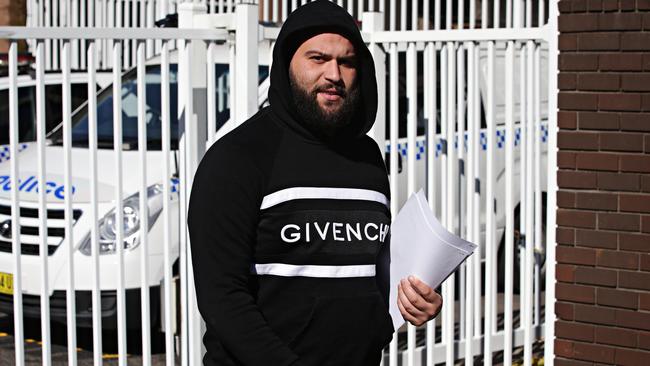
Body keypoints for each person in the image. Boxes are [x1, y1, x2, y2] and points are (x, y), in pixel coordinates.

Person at [188, 1, 442, 365]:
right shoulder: (238, 157)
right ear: (287, 64)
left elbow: (375, 276)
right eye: (318, 58)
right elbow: (222, 298)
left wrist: (417, 300)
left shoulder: (366, 158)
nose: (334, 74)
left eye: (347, 62)